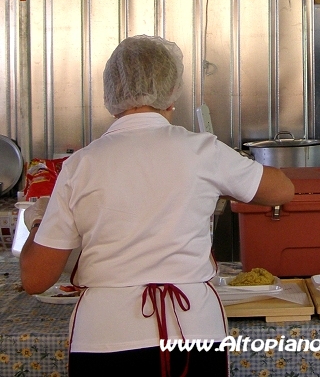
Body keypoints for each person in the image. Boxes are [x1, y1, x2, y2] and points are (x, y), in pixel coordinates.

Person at [19, 35, 295, 377]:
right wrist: (219, 185)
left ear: (111, 96)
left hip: (106, 335)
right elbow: (282, 190)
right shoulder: (202, 151)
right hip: (192, 330)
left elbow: (35, 278)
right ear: (171, 95)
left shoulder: (81, 165)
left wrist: (38, 221)